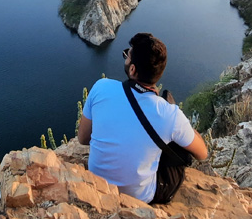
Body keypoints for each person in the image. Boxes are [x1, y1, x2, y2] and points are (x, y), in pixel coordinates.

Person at [77, 32, 208, 203]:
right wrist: (185, 127)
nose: (126, 57)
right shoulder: (170, 114)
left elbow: (83, 138)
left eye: (127, 55)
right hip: (138, 197)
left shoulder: (101, 87)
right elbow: (202, 154)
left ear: (132, 69)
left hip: (98, 185)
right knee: (175, 152)